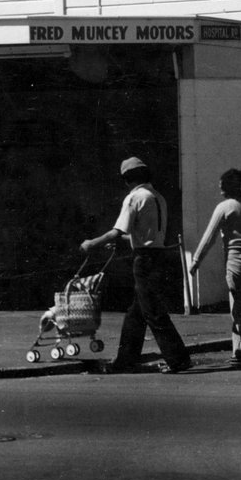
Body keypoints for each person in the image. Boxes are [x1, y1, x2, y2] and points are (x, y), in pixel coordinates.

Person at [80, 157, 192, 374]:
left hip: (144, 261)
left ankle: (179, 359)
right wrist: (121, 241)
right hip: (157, 256)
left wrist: (91, 243)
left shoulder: (134, 198)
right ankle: (126, 360)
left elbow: (117, 231)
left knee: (153, 312)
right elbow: (144, 234)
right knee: (136, 313)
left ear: (128, 179)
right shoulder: (158, 197)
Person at [188, 168, 241, 369]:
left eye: (223, 185)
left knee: (240, 307)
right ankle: (239, 350)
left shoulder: (225, 207)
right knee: (240, 303)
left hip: (236, 263)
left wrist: (196, 261)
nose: (220, 188)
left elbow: (209, 237)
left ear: (233, 187)